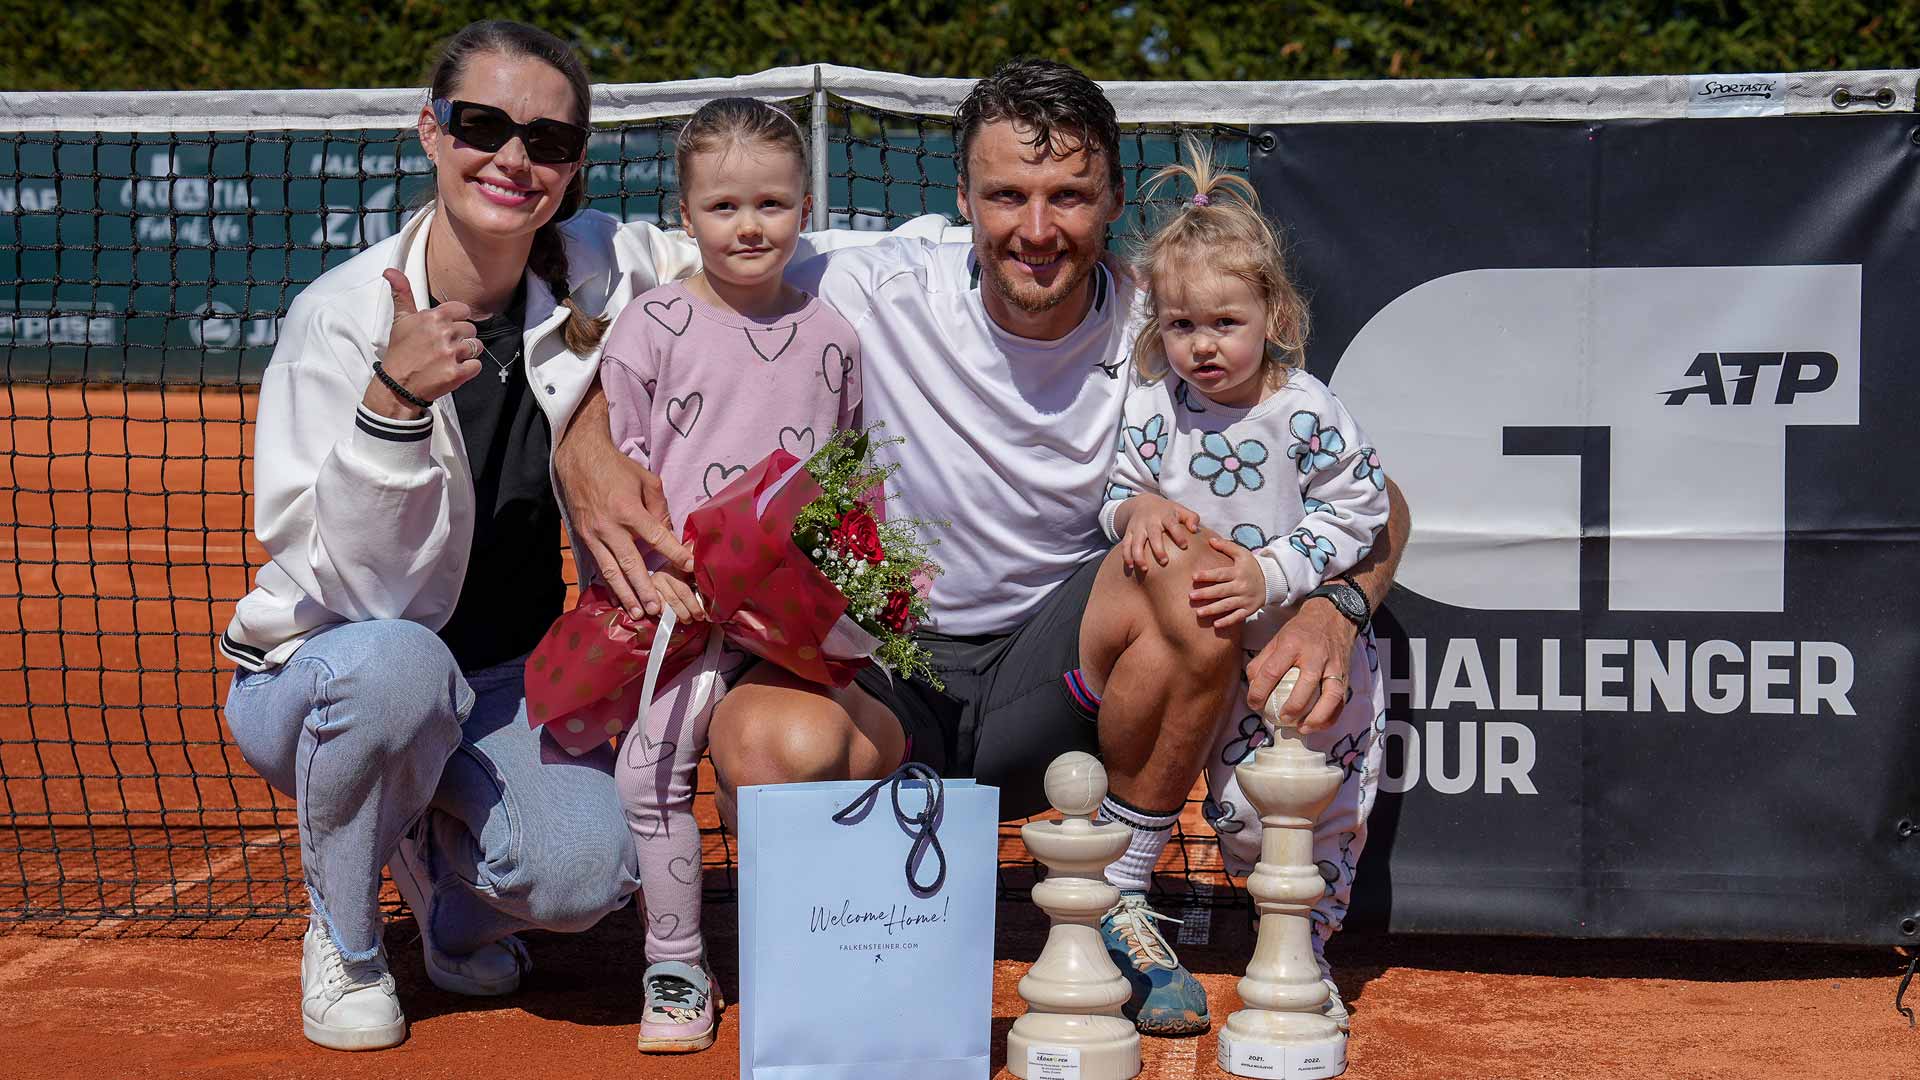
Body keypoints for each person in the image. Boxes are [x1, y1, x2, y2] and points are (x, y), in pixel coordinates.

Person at [554, 58, 1411, 1038]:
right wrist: (582, 437)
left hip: (1061, 692)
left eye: (1069, 196)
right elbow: (643, 280)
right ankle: (860, 972)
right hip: (881, 669)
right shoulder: (860, 277)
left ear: (1115, 202)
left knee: (1191, 573)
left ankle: (1120, 900)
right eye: (1006, 194)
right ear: (960, 197)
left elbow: (1376, 502)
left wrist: (1336, 607)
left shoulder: (1169, 324)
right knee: (761, 743)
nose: (1036, 228)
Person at [217, 20, 701, 1051]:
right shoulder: (338, 320)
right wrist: (390, 408)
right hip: (323, 674)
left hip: (501, 681)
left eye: (551, 142)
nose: (515, 159)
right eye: (484, 125)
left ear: (574, 169)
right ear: (431, 133)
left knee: (586, 876)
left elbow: (760, 240)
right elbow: (363, 593)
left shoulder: (602, 263)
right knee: (399, 669)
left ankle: (450, 894)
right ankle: (345, 942)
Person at [588, 97, 860, 1054]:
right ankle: (676, 964)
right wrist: (658, 581)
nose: (750, 226)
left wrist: (837, 589)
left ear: (806, 206)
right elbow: (615, 482)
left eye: (773, 205)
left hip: (789, 621)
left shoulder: (833, 334)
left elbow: (841, 477)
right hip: (684, 611)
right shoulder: (650, 326)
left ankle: (800, 958)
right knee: (648, 774)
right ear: (686, 213)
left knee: (787, 778)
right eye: (724, 206)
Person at [1097, 144, 1389, 1032]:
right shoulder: (1154, 402)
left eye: (1224, 321)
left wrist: (1273, 574)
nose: (1203, 344)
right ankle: (1159, 907)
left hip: (1301, 661)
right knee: (1232, 813)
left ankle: (1306, 952)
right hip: (1214, 662)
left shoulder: (1305, 407)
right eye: (1182, 325)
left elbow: (1363, 510)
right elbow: (1117, 493)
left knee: (1306, 819)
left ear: (1274, 311)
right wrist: (1136, 511)